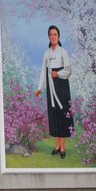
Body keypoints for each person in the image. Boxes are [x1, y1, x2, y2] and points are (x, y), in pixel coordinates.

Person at [35, 25, 74, 159]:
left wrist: (58, 74)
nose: (53, 36)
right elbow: (43, 71)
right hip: (51, 88)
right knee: (55, 115)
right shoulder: (46, 53)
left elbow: (68, 70)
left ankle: (63, 147)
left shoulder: (63, 52)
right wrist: (40, 88)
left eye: (55, 34)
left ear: (59, 36)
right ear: (48, 36)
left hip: (62, 86)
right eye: (51, 34)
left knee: (63, 115)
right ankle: (56, 146)